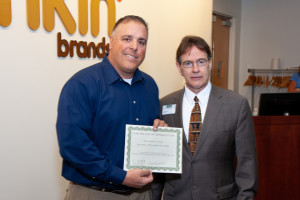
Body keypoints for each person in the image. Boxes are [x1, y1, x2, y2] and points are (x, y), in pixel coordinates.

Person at [56, 15, 166, 200]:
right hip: (96, 193)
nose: (134, 47)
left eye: (141, 41)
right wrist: (120, 176)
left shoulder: (150, 86)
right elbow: (73, 145)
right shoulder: (81, 84)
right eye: (127, 39)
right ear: (110, 42)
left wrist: (159, 131)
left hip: (142, 194)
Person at [152, 36, 258, 200]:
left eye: (201, 61)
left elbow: (247, 165)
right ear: (179, 68)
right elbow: (158, 167)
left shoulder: (236, 105)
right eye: (188, 63)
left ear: (210, 63)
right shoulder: (164, 106)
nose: (195, 69)